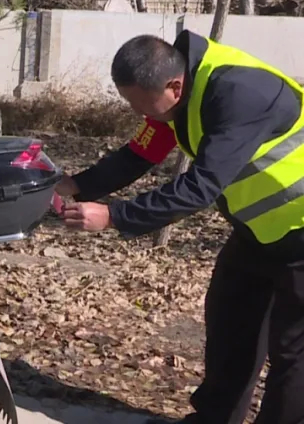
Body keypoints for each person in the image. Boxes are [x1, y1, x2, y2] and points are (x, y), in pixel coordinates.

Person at [56, 30, 304, 424]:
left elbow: (200, 188)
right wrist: (76, 185)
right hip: (258, 229)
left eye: (145, 106)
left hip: (300, 231)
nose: (145, 116)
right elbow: (138, 154)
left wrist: (114, 215)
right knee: (230, 326)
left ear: (173, 86)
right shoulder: (179, 97)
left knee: (294, 353)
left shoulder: (241, 94)